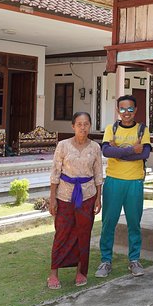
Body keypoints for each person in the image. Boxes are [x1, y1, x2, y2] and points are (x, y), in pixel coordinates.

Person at [96, 95, 151, 278]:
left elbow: (143, 154)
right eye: (122, 109)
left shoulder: (143, 130)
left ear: (135, 110)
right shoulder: (111, 128)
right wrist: (129, 150)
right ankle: (105, 260)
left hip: (135, 181)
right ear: (117, 110)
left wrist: (118, 152)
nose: (126, 113)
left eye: (130, 109)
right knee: (108, 222)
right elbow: (106, 151)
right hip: (113, 181)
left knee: (134, 223)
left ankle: (134, 260)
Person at [48, 112, 103, 289]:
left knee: (83, 233)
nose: (83, 127)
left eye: (86, 124)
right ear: (73, 126)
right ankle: (54, 272)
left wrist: (98, 198)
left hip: (87, 195)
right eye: (79, 124)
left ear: (90, 126)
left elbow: (98, 174)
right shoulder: (63, 146)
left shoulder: (95, 147)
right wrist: (52, 199)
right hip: (64, 195)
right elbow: (55, 173)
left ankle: (81, 271)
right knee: (62, 232)